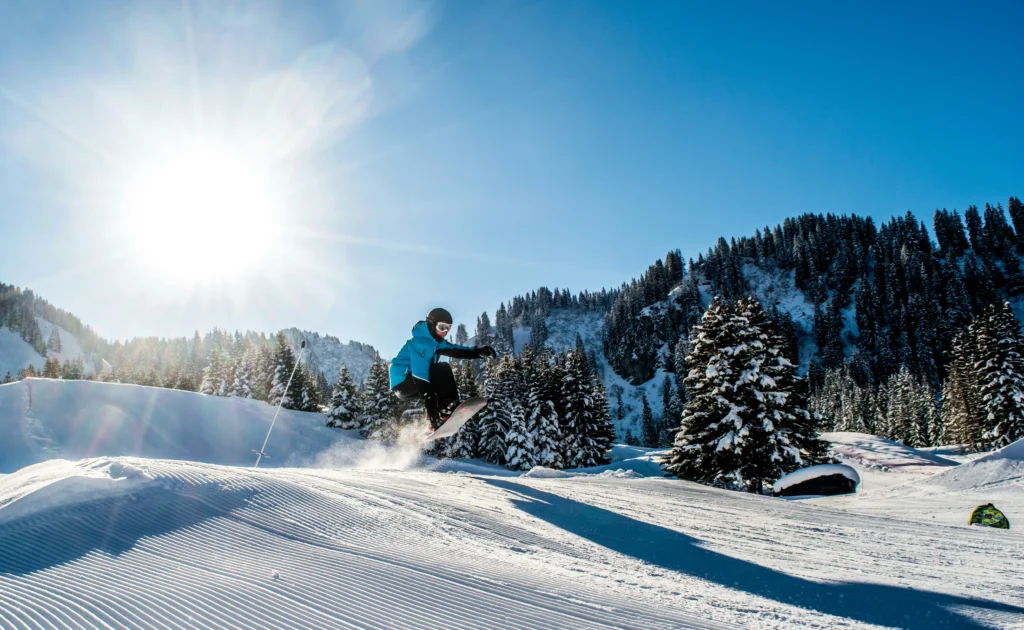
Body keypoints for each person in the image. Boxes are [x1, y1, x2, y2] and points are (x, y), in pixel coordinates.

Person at [390, 308, 496, 429]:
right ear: (431, 324)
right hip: (403, 381)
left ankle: (439, 417)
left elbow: (456, 350)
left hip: (411, 383)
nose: (444, 332)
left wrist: (478, 352)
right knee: (441, 369)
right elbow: (420, 375)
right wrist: (430, 404)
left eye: (448, 328)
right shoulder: (422, 342)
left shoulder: (436, 342)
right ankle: (448, 407)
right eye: (441, 327)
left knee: (437, 383)